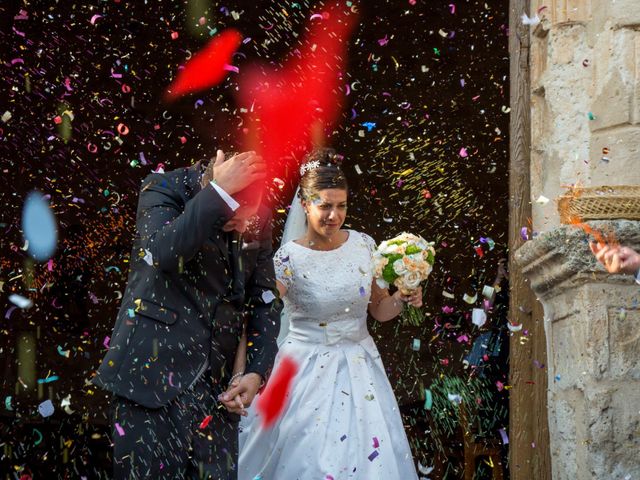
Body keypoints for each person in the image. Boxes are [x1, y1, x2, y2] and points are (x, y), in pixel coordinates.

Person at [91, 149, 282, 479]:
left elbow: (264, 301)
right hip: (150, 382)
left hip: (217, 395)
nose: (242, 225)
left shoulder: (258, 216)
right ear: (217, 176)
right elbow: (163, 253)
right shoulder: (164, 189)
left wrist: (255, 371)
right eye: (233, 213)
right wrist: (217, 195)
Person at [233, 148, 420, 479]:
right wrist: (243, 370)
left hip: (361, 369)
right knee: (313, 461)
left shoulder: (364, 245)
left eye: (341, 206)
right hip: (304, 372)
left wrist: (403, 297)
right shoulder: (287, 260)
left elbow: (379, 310)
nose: (334, 215)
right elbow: (259, 318)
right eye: (325, 206)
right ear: (305, 205)